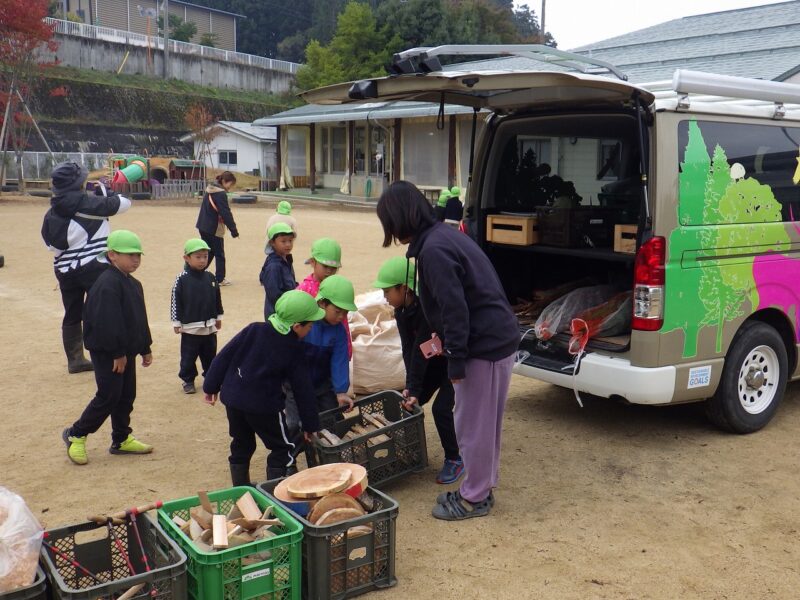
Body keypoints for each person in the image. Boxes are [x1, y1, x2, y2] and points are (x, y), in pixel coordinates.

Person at [376, 181, 518, 521]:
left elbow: (455, 309)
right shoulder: (442, 237)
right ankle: (481, 487)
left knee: (471, 425)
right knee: (482, 424)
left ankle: (474, 498)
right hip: (494, 338)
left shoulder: (434, 249)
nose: (390, 231)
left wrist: (455, 361)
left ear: (399, 218)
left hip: (483, 345)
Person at [202, 290, 325, 484]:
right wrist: (310, 425)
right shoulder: (294, 349)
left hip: (233, 399)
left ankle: (240, 489)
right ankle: (275, 492)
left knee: (242, 443)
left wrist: (210, 386)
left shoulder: (254, 329)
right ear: (296, 326)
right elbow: (303, 389)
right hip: (263, 406)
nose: (310, 330)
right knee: (282, 448)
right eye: (309, 326)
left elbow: (224, 356)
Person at [61, 230, 154, 466]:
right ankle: (76, 434)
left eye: (138, 255)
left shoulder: (134, 283)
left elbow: (138, 319)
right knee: (108, 395)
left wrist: (145, 347)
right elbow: (106, 321)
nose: (135, 260)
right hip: (109, 351)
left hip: (126, 350)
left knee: (126, 394)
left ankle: (121, 438)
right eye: (129, 255)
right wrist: (117, 353)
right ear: (112, 255)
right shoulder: (106, 284)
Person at [373, 256, 463, 484]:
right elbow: (408, 348)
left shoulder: (425, 309)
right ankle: (410, 451)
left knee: (441, 409)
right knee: (411, 403)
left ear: (404, 289)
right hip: (433, 362)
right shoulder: (402, 311)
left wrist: (413, 386)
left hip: (454, 363)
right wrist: (411, 388)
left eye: (387, 292)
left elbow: (421, 350)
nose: (385, 297)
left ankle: (455, 459)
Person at [41, 161, 132, 373]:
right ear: (80, 184)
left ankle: (75, 360)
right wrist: (107, 192)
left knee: (72, 313)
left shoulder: (51, 213)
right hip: (94, 267)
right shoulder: (91, 203)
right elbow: (125, 203)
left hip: (64, 270)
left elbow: (50, 244)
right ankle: (108, 357)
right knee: (101, 310)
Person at [286, 275, 356, 436]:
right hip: (295, 384)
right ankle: (290, 458)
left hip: (322, 385)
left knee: (332, 420)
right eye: (337, 311)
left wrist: (340, 391)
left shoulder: (339, 331)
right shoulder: (305, 322)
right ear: (322, 303)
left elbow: (340, 361)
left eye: (345, 313)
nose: (341, 317)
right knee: (294, 425)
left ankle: (330, 455)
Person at [170, 238, 223, 395]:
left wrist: (218, 317)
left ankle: (211, 378)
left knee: (210, 355)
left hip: (209, 328)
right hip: (190, 329)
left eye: (205, 257)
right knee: (188, 357)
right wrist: (176, 322)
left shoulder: (211, 277)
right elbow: (175, 300)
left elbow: (217, 299)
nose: (202, 261)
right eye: (198, 257)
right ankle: (188, 380)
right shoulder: (182, 279)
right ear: (187, 258)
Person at [196, 171, 239, 285]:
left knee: (208, 251)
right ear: (224, 181)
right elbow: (225, 213)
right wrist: (234, 230)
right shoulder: (220, 194)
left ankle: (197, 272)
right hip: (214, 227)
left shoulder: (210, 189)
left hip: (203, 225)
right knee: (219, 253)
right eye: (230, 184)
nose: (230, 187)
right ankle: (220, 278)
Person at [259, 222, 297, 320]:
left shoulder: (286, 259)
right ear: (272, 242)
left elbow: (290, 283)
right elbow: (274, 295)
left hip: (288, 310)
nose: (288, 244)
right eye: (283, 241)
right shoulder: (273, 266)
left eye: (290, 240)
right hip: (277, 316)